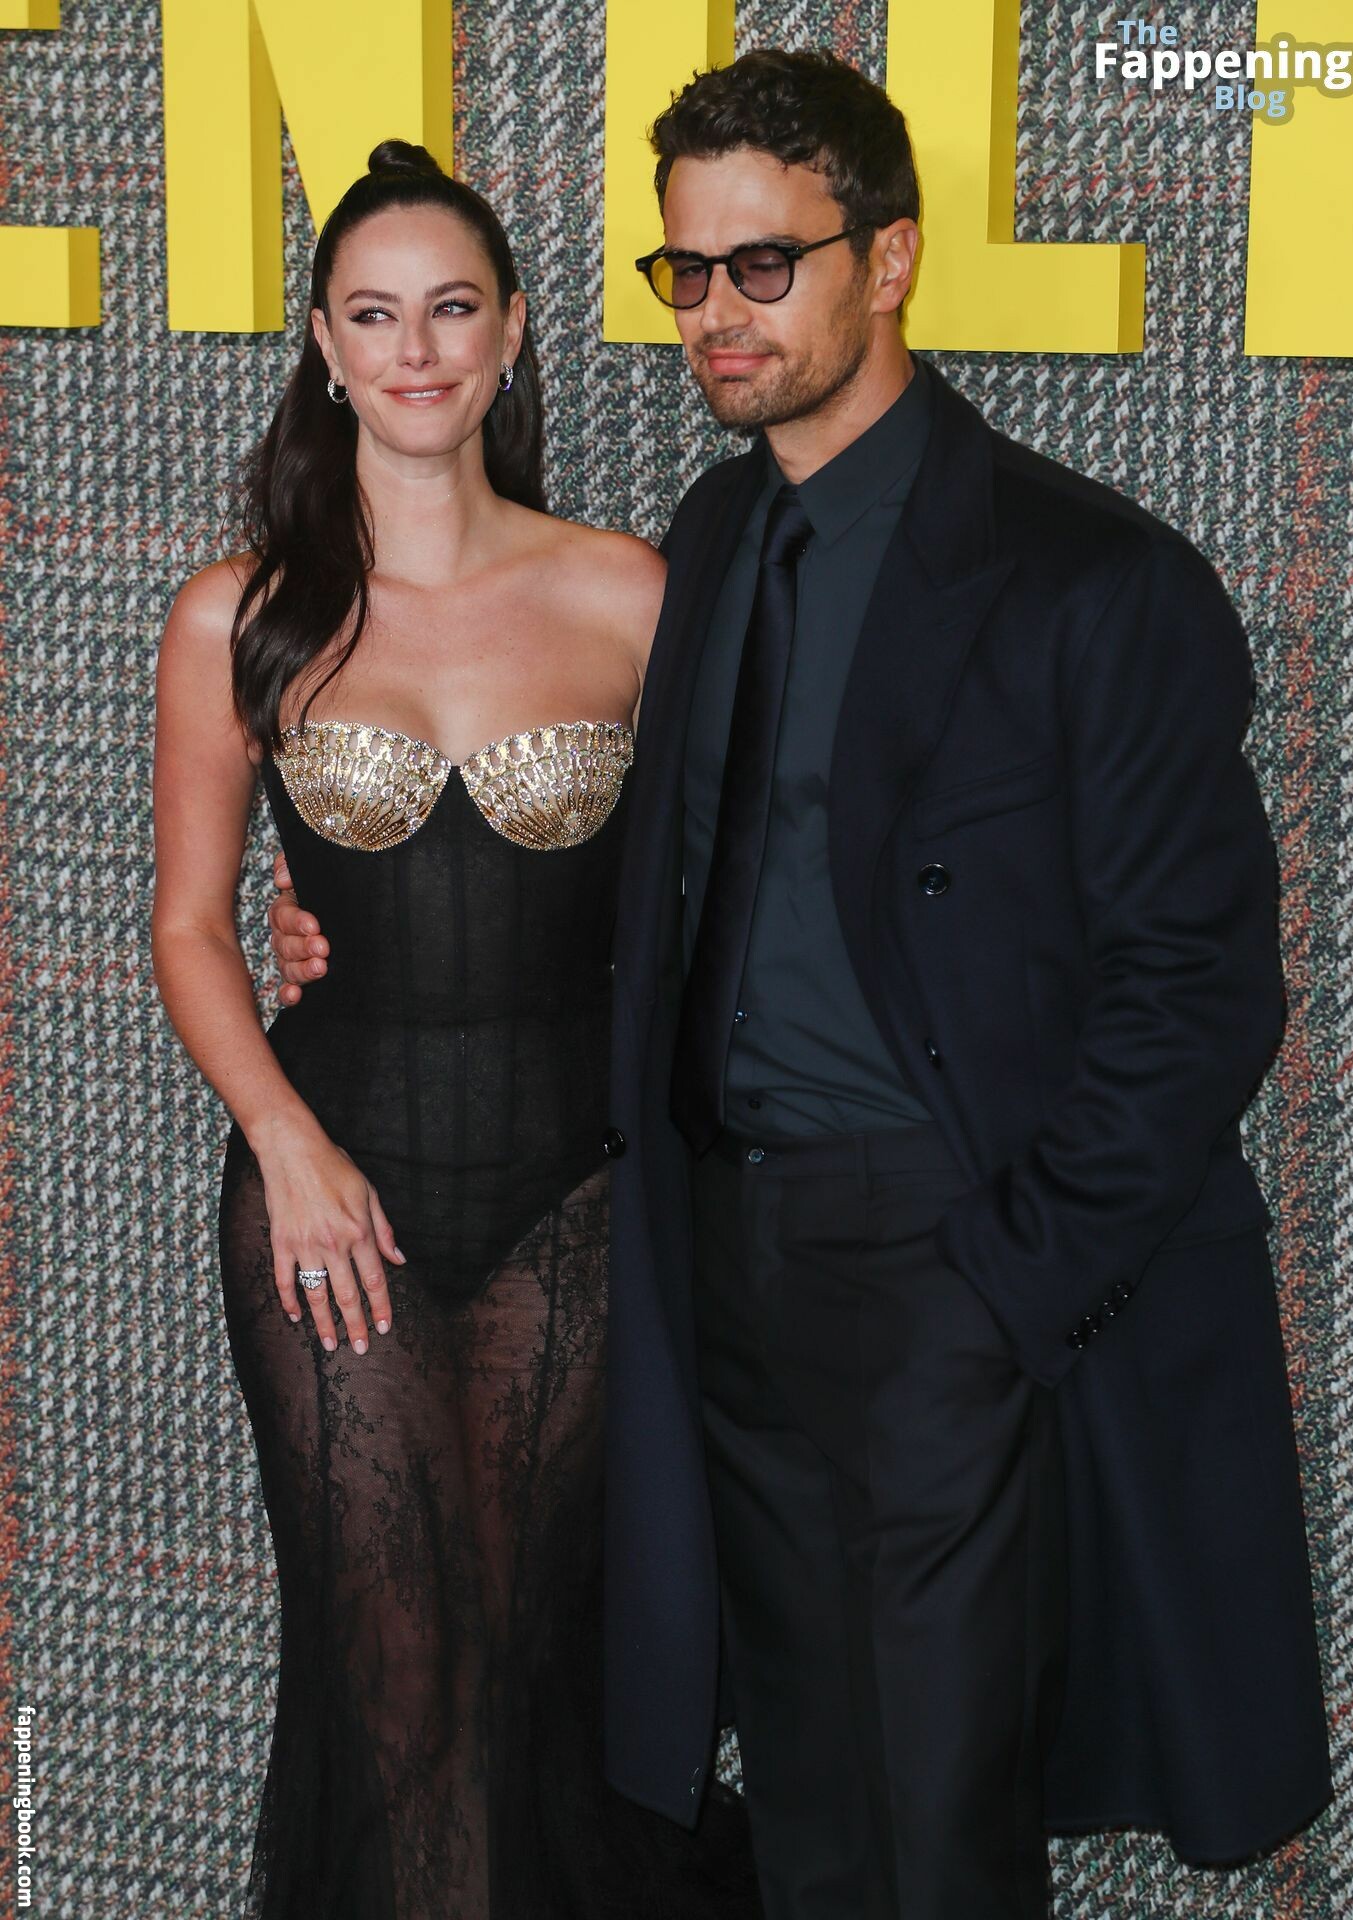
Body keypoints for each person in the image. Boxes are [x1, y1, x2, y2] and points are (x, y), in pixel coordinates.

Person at [269, 52, 1333, 1920]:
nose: (719, 313)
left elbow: (1203, 985)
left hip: (946, 1258)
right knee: (811, 1802)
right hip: (713, 1257)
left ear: (889, 259)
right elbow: (629, 873)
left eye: (766, 265)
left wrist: (1009, 1277)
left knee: (937, 1809)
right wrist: (371, 914)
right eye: (688, 272)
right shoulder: (709, 543)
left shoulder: (1090, 579)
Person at [152, 140, 760, 1920]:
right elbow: (188, 928)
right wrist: (287, 1145)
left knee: (535, 1673)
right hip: (332, 1204)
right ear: (325, 347)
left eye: (449, 310)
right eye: (373, 315)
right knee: (392, 1679)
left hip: (579, 1208)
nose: (413, 351)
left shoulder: (630, 592)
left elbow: (703, 912)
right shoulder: (239, 612)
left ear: (508, 336)